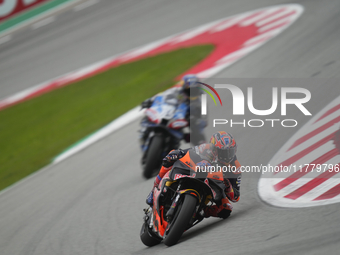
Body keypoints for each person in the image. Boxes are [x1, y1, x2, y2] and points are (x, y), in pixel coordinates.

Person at [146, 131, 242, 219]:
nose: (227, 156)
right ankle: (154, 187)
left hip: (215, 186)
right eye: (223, 152)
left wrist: (228, 186)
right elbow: (187, 152)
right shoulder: (206, 148)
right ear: (214, 148)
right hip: (199, 173)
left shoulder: (235, 168)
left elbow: (236, 197)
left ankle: (202, 212)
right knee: (171, 155)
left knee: (226, 209)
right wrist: (177, 154)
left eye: (231, 151)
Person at [139, 74, 207, 146]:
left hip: (184, 122)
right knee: (149, 114)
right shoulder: (175, 91)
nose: (191, 92)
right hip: (169, 115)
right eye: (189, 90)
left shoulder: (202, 101)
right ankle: (144, 132)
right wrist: (150, 101)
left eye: (194, 90)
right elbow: (161, 96)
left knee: (199, 136)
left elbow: (204, 119)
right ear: (184, 87)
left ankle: (200, 148)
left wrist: (196, 120)